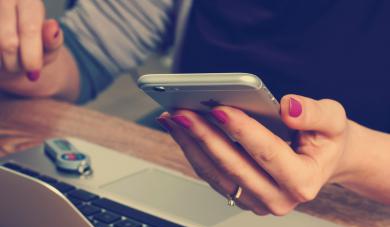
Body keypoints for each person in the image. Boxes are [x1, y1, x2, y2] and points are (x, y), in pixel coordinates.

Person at [0, 0, 389, 215]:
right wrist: (26, 56)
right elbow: (85, 52)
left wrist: (353, 154)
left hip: (360, 225)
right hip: (186, 191)